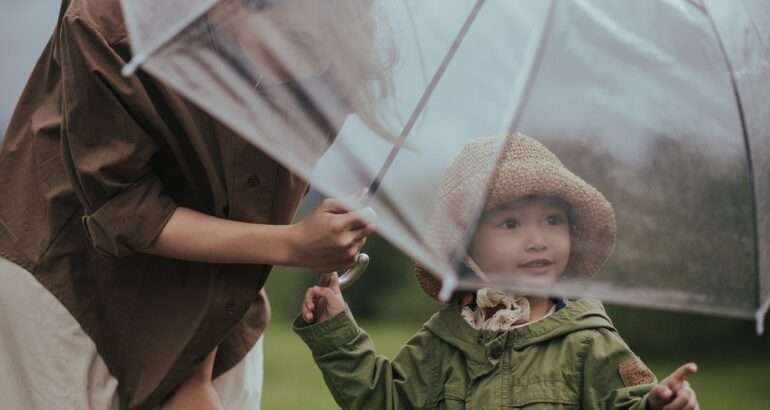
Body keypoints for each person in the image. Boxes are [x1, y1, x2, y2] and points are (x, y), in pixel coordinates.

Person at [0, 0, 391, 408]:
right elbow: (122, 207)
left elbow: (253, 198)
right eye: (292, 42)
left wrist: (196, 368)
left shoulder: (336, 57)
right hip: (71, 272)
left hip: (219, 290)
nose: (299, 68)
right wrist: (295, 245)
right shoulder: (111, 20)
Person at [294, 134, 700, 409]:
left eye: (554, 220)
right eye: (510, 224)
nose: (538, 240)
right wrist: (337, 333)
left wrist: (659, 404)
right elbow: (384, 400)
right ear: (465, 246)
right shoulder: (445, 340)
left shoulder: (588, 341)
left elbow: (629, 402)